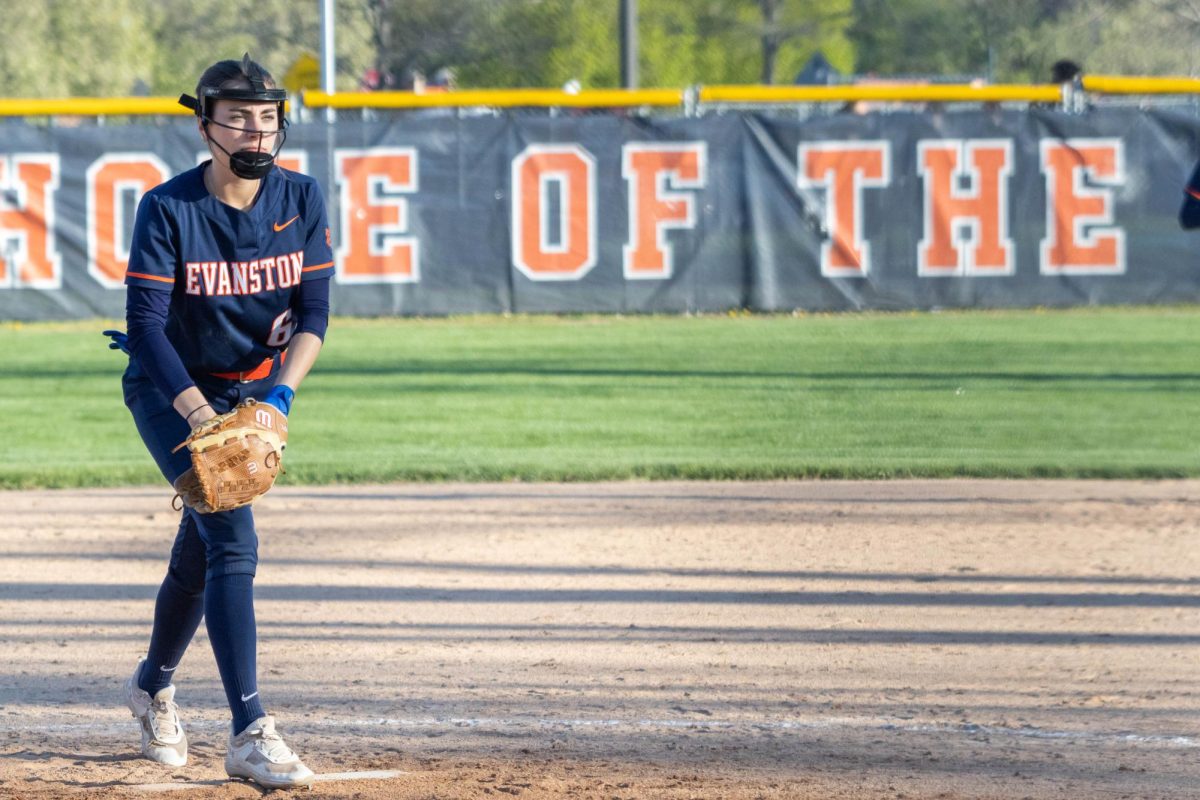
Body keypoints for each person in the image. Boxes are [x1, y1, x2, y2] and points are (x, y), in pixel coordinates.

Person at [104, 54, 333, 789]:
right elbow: (144, 327)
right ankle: (250, 730)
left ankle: (151, 688)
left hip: (251, 397)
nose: (255, 132)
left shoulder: (301, 197)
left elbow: (316, 317)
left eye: (267, 118)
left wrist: (279, 399)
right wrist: (201, 416)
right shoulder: (169, 208)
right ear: (204, 125)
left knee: (203, 550)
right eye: (237, 117)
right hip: (171, 390)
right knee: (232, 538)